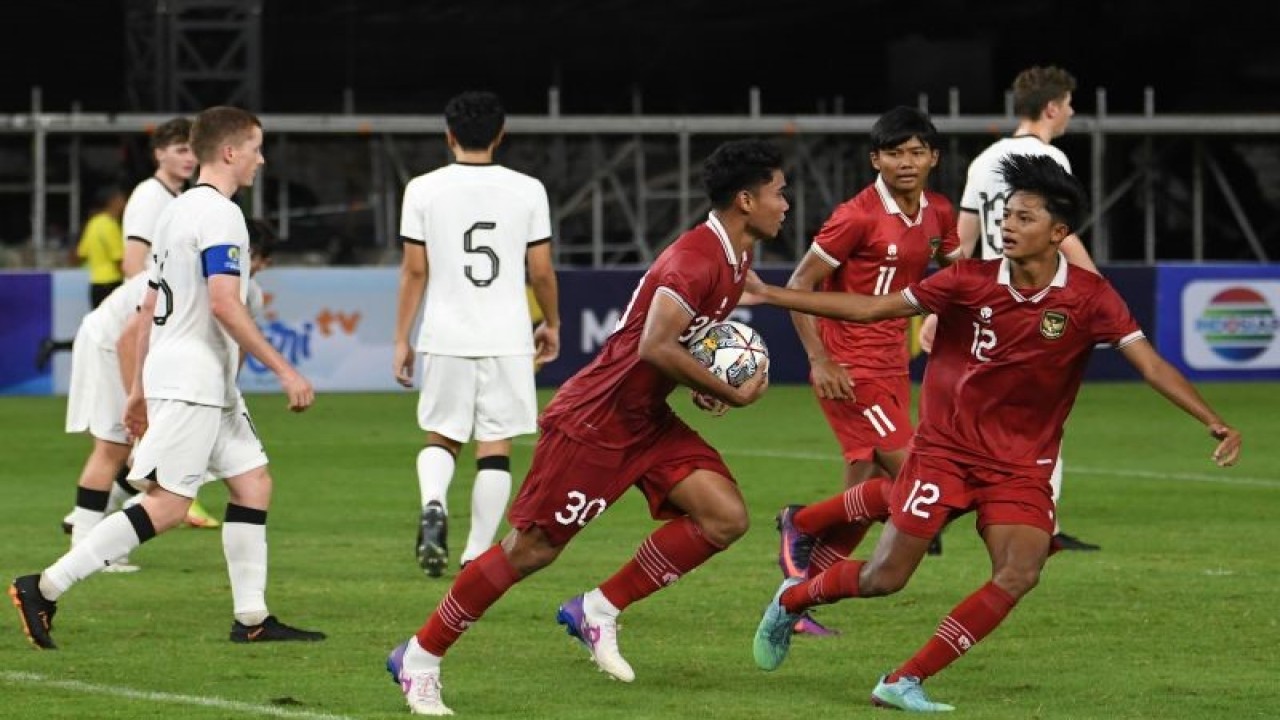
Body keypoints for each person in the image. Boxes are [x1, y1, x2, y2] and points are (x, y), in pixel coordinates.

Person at [748, 154, 1241, 712]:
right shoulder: (966, 279)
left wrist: (1210, 419)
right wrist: (772, 295)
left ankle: (903, 679)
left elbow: (1149, 363)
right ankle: (794, 598)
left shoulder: (1089, 297)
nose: (1006, 225)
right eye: (1005, 215)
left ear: (1058, 232)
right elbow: (870, 309)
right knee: (886, 578)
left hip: (1020, 466)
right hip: (944, 454)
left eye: (1023, 218)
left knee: (1020, 571)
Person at [385, 138, 782, 715]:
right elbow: (653, 344)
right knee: (531, 550)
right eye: (779, 192)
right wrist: (728, 390)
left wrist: (698, 380)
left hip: (646, 419)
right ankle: (419, 656)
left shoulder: (735, 257)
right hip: (598, 420)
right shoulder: (695, 258)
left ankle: (597, 609)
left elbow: (669, 341)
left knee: (724, 517)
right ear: (746, 199)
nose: (786, 204)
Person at [9, 106, 323, 650]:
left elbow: (150, 302)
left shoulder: (178, 213)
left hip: (200, 379)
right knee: (169, 505)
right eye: (255, 147)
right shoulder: (221, 215)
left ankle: (252, 617)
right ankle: (44, 586)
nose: (260, 158)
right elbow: (225, 304)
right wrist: (284, 368)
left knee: (253, 482)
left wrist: (135, 390)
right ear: (230, 152)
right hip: (192, 379)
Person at [776, 106, 961, 636]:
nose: (906, 162)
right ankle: (799, 521)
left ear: (933, 157)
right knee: (914, 475)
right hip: (848, 367)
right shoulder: (856, 215)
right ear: (875, 158)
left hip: (893, 364)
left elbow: (958, 275)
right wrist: (820, 359)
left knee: (861, 492)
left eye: (916, 152)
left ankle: (797, 598)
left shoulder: (939, 213)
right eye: (895, 153)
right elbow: (798, 286)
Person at [920, 65, 1100, 551]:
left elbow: (962, 238)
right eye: (1068, 104)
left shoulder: (985, 160)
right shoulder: (1049, 158)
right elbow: (1061, 235)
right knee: (1039, 413)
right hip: (1031, 298)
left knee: (984, 413)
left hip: (984, 299)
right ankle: (1038, 528)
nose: (1071, 112)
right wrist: (1098, 287)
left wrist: (943, 307)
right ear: (1051, 108)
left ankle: (935, 511)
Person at [393, 90, 561, 579]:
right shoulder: (528, 189)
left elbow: (413, 271)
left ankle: (432, 503)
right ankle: (476, 551)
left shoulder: (422, 189)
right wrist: (551, 323)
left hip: (445, 333)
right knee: (496, 443)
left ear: (449, 136)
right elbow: (542, 271)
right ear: (500, 134)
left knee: (442, 436)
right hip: (506, 334)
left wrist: (402, 337)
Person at [57, 219, 279, 573]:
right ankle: (83, 545)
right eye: (261, 257)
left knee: (147, 453)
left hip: (150, 356)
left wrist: (225, 396)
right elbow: (129, 337)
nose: (264, 267)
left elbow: (236, 346)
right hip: (107, 342)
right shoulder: (191, 274)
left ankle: (90, 528)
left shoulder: (244, 290)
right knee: (115, 444)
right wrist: (138, 400)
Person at [77, 185, 128, 308]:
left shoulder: (93, 223)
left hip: (95, 284)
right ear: (113, 200)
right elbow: (119, 259)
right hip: (112, 283)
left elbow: (81, 254)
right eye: (122, 198)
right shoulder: (110, 225)